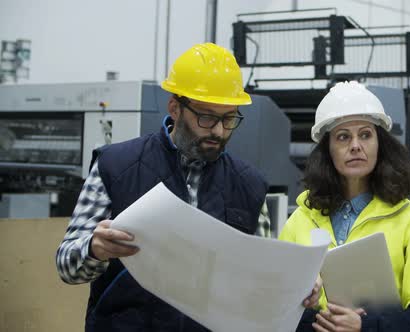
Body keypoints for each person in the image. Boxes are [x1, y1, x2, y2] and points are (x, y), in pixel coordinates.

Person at [55, 43, 319, 331]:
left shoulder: (249, 186)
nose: (218, 131)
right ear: (175, 108)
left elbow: (258, 285)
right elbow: (67, 267)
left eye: (229, 118)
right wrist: (95, 249)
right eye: (206, 117)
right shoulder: (115, 166)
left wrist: (294, 290)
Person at [279, 81, 410, 332]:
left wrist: (365, 326)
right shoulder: (300, 221)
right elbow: (276, 310)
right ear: (327, 150)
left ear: (380, 144)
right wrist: (306, 306)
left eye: (365, 134)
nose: (355, 145)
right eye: (343, 137)